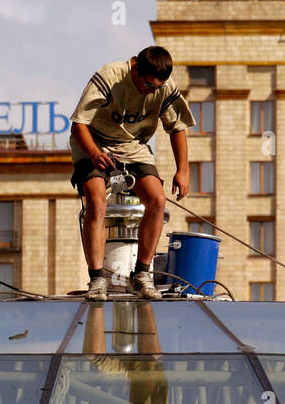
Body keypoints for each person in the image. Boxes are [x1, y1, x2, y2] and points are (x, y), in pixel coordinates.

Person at [69, 46, 194, 300]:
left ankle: (141, 274)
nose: (150, 91)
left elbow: (177, 127)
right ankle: (97, 279)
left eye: (155, 88)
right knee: (96, 201)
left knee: (157, 200)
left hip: (132, 146)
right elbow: (78, 126)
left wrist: (183, 170)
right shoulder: (110, 76)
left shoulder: (165, 88)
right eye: (147, 85)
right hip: (94, 141)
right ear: (135, 66)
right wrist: (94, 154)